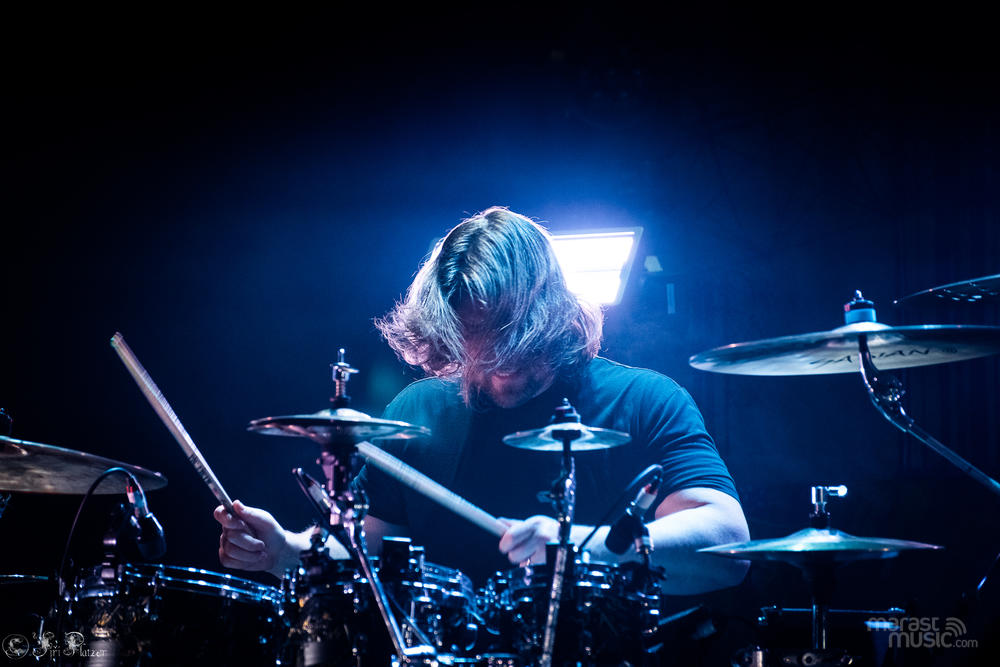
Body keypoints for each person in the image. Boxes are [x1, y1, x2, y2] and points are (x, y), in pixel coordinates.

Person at [215, 207, 749, 594]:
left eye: (514, 342)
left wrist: (583, 546)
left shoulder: (644, 400)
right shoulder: (416, 412)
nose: (498, 367)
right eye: (475, 345)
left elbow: (726, 544)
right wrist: (286, 551)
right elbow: (365, 545)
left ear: (553, 315)